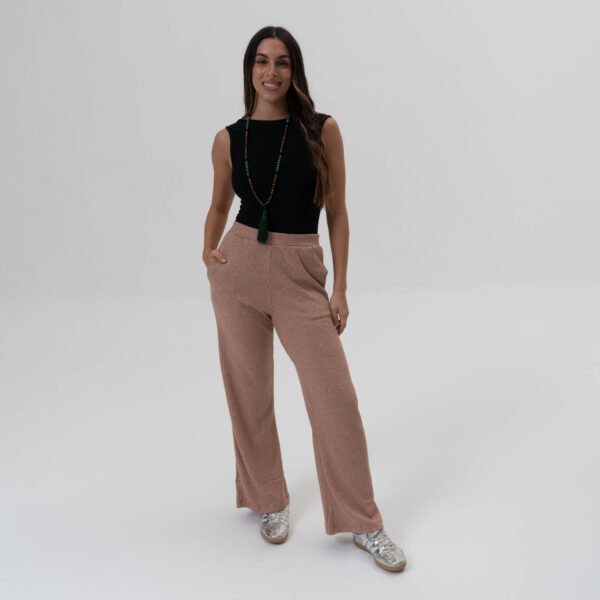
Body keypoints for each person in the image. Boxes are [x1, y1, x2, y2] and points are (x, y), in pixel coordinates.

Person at [202, 26, 407, 573]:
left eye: (282, 62)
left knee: (334, 398)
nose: (271, 72)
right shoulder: (228, 138)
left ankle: (363, 521)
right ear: (249, 69)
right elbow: (219, 204)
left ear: (294, 71)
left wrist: (340, 287)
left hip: (300, 271)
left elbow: (337, 211)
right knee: (248, 392)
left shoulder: (321, 129)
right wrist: (208, 251)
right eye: (261, 61)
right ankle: (268, 498)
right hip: (238, 270)